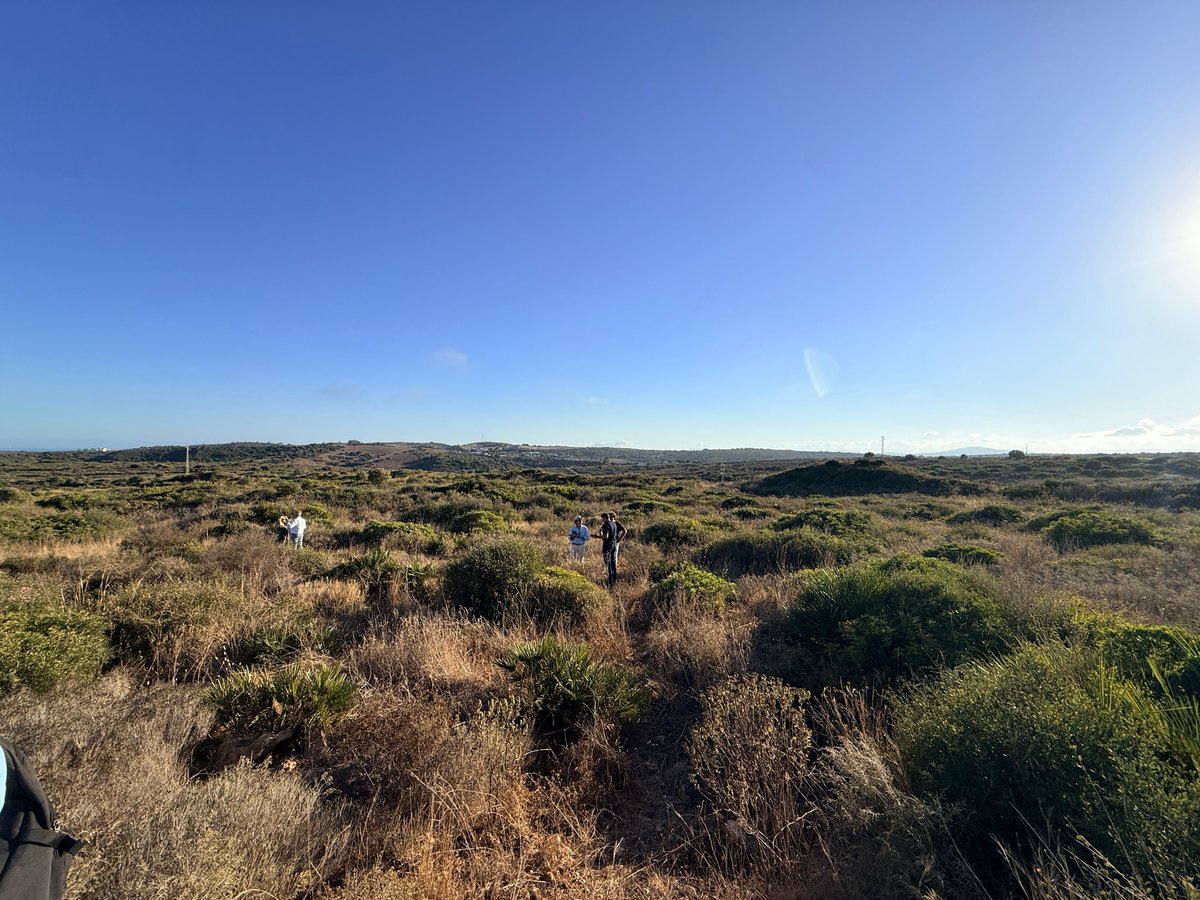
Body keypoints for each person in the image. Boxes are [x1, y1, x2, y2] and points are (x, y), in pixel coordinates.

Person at [599, 511, 627, 588]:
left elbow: (606, 536)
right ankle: (613, 578)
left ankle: (611, 580)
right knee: (612, 561)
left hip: (611, 544)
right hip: (613, 543)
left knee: (611, 561)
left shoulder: (611, 524)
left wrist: (620, 539)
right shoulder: (612, 524)